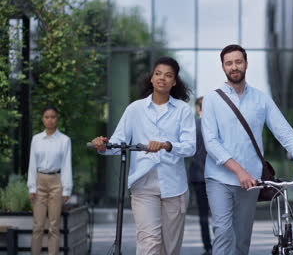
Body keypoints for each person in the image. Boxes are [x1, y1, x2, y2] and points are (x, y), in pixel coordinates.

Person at [201, 44, 293, 255]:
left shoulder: (261, 99)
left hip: (252, 182)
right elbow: (211, 142)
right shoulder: (212, 99)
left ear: (246, 64)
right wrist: (239, 171)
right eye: (229, 63)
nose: (234, 67)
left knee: (242, 239)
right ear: (223, 68)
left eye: (238, 61)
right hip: (219, 178)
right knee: (223, 232)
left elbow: (284, 131)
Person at [90, 57, 196, 255]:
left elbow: (190, 148)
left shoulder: (182, 110)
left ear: (174, 82)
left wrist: (166, 145)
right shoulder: (135, 109)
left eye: (168, 75)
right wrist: (102, 146)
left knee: (170, 248)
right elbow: (117, 143)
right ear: (151, 78)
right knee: (149, 241)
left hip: (174, 186)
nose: (162, 78)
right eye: (158, 73)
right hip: (143, 185)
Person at [27, 105, 73, 255]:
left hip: (56, 182)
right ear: (43, 119)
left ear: (57, 119)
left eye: (53, 117)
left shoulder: (64, 140)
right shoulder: (36, 139)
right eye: (47, 117)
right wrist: (31, 187)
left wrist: (67, 189)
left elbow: (67, 165)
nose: (50, 120)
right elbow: (32, 164)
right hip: (40, 181)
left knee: (54, 226)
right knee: (38, 225)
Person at [189, 96, 212, 255]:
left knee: (203, 214)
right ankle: (221, 246)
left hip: (198, 175)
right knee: (220, 215)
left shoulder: (192, 126)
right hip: (215, 176)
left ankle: (208, 247)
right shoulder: (216, 126)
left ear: (198, 109)